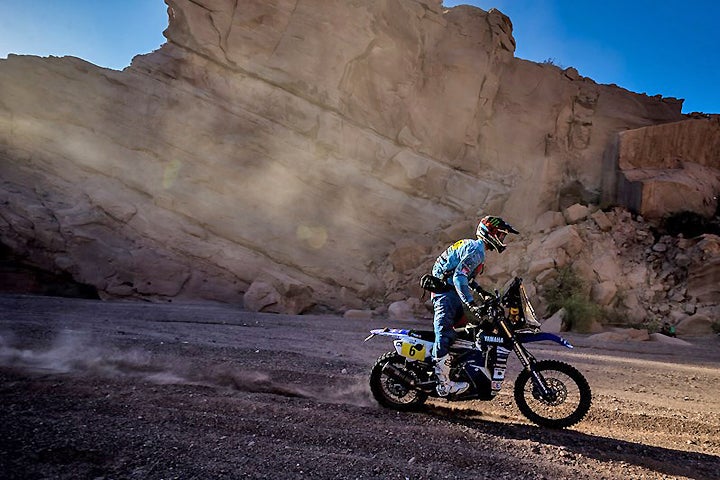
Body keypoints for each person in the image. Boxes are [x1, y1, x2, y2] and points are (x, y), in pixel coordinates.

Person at [429, 215, 519, 396]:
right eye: (501, 235)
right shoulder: (477, 250)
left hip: (450, 291)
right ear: (491, 233)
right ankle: (443, 383)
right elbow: (458, 277)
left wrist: (481, 292)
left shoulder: (475, 247)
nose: (502, 240)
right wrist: (471, 303)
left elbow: (464, 276)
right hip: (445, 293)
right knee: (445, 332)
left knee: (465, 334)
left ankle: (457, 372)